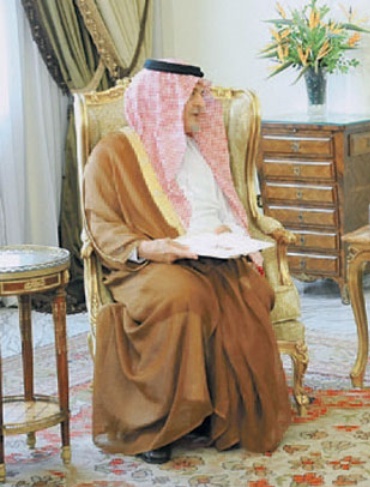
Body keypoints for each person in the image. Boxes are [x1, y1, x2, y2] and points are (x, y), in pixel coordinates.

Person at [83, 59, 291, 464]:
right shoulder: (113, 153)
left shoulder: (199, 149)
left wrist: (231, 236)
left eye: (201, 93)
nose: (202, 103)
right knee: (183, 296)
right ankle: (156, 423)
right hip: (147, 264)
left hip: (210, 258)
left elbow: (227, 210)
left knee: (251, 290)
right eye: (193, 95)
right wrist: (149, 248)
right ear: (164, 98)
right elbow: (101, 225)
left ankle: (213, 413)